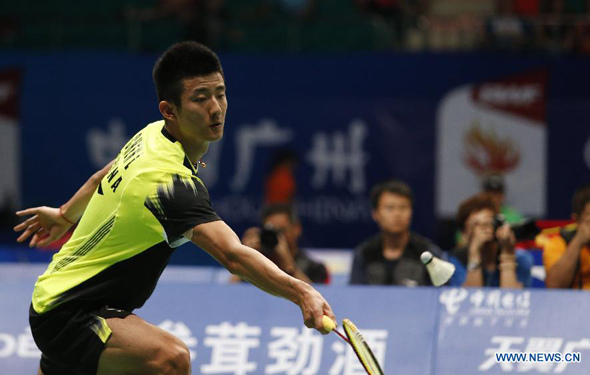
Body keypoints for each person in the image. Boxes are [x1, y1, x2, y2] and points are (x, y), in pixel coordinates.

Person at [14, 41, 335, 375]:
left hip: (60, 297)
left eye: (220, 94)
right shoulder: (171, 186)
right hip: (74, 312)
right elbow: (233, 255)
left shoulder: (153, 135)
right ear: (169, 110)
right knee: (170, 359)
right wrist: (302, 292)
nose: (216, 108)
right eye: (200, 98)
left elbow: (101, 176)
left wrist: (65, 215)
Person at [350, 180, 444, 286]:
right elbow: (355, 296)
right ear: (375, 214)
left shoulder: (428, 254)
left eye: (403, 208)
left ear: (411, 212)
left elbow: (443, 297)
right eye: (390, 208)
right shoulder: (364, 254)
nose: (397, 214)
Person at [448, 193, 533, 288]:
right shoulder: (454, 261)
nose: (485, 230)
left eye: (489, 223)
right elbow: (470, 299)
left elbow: (512, 299)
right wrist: (474, 254)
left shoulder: (520, 259)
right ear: (464, 233)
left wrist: (508, 255)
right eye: (476, 225)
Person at [234, 203, 329, 284]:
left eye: (281, 231)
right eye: (271, 231)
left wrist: (287, 263)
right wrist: (245, 258)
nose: (278, 236)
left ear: (296, 229)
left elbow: (316, 298)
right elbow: (230, 292)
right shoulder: (256, 264)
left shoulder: (315, 269)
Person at [543, 184, 590, 289]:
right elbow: (554, 287)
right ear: (576, 220)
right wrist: (578, 241)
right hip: (575, 304)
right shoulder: (559, 243)